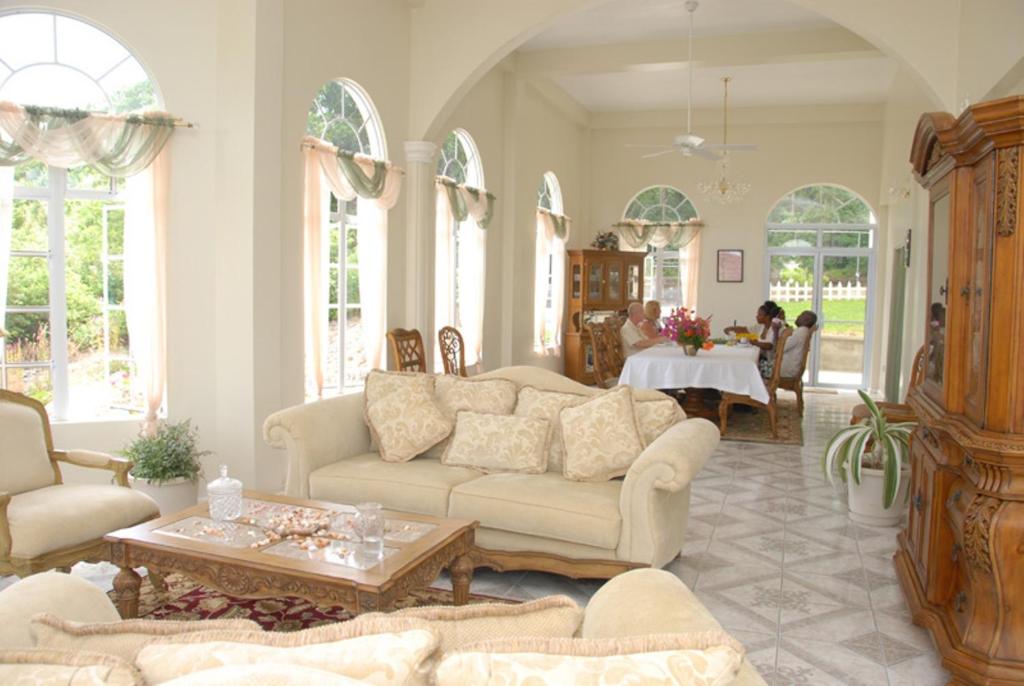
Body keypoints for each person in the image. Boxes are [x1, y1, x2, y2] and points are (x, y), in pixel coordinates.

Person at [780, 310, 817, 378]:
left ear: (806, 320)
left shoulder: (799, 333)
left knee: (757, 366)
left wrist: (777, 331)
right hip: (792, 369)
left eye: (801, 315)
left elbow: (781, 348)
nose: (798, 316)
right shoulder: (804, 331)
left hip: (786, 370)